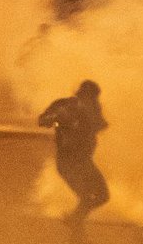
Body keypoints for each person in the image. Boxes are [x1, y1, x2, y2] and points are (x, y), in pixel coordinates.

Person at [39, 80, 109, 233]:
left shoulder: (93, 109)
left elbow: (102, 124)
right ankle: (76, 228)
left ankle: (74, 220)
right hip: (68, 164)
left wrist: (91, 123)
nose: (93, 101)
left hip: (84, 162)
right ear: (83, 95)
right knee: (86, 197)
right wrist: (57, 120)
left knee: (103, 196)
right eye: (91, 97)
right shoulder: (64, 105)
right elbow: (43, 120)